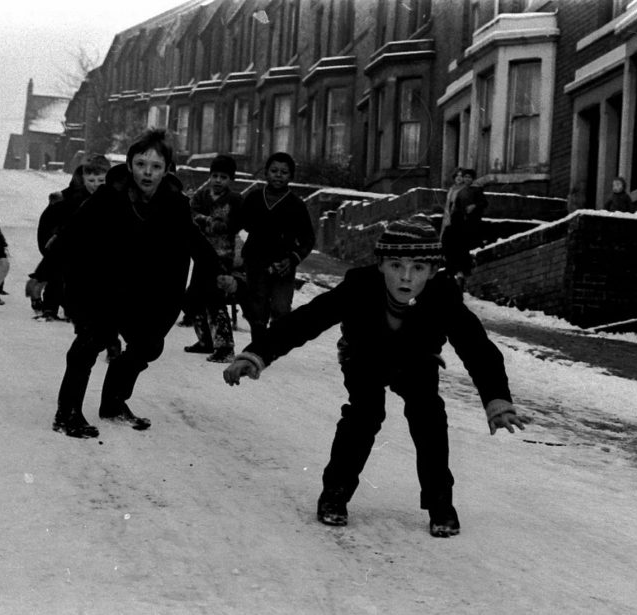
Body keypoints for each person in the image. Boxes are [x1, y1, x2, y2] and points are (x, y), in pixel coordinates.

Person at [223, 216, 527, 538]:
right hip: (364, 354)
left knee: (429, 416)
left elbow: (477, 347)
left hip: (417, 357)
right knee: (365, 413)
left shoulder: (443, 296)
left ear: (434, 271)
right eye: (396, 265)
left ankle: (440, 503)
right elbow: (306, 320)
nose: (406, 277)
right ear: (381, 264)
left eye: (418, 268)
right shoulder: (359, 286)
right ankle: (335, 494)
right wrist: (258, 353)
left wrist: (496, 399)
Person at [49, 129, 220, 438]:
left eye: (156, 167)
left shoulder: (175, 203)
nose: (147, 172)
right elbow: (73, 232)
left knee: (148, 346)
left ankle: (114, 403)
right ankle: (67, 412)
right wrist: (43, 273)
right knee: (88, 344)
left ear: (167, 169)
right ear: (129, 165)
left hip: (146, 292)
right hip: (103, 285)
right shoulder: (109, 195)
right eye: (141, 164)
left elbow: (196, 242)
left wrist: (215, 276)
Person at [236, 152, 314, 344]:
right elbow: (238, 224)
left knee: (281, 308)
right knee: (257, 307)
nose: (278, 175)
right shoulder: (254, 198)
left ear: (291, 176)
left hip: (283, 264)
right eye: (274, 171)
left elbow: (308, 238)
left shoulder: (296, 205)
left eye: (284, 172)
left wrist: (293, 259)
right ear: (266, 173)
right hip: (255, 262)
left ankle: (274, 343)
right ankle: (259, 345)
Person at [30, 155, 111, 320]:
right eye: (92, 180)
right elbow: (57, 227)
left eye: (101, 180)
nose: (96, 185)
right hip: (57, 241)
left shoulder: (112, 197)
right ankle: (49, 307)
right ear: (84, 179)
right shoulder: (70, 200)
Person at [183, 154, 243, 363]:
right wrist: (208, 221)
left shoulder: (235, 200)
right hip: (202, 254)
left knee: (215, 299)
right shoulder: (201, 195)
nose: (218, 180)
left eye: (224, 177)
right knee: (193, 298)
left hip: (222, 256)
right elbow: (189, 213)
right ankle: (205, 340)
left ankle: (225, 346)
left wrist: (221, 226)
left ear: (230, 180)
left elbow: (234, 225)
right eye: (215, 175)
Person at [440, 167, 489, 286]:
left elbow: (484, 203)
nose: (466, 179)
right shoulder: (460, 192)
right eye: (465, 177)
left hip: (472, 222)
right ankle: (453, 270)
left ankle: (462, 270)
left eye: (468, 177)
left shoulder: (476, 190)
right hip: (459, 222)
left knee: (463, 245)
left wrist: (474, 206)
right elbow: (455, 207)